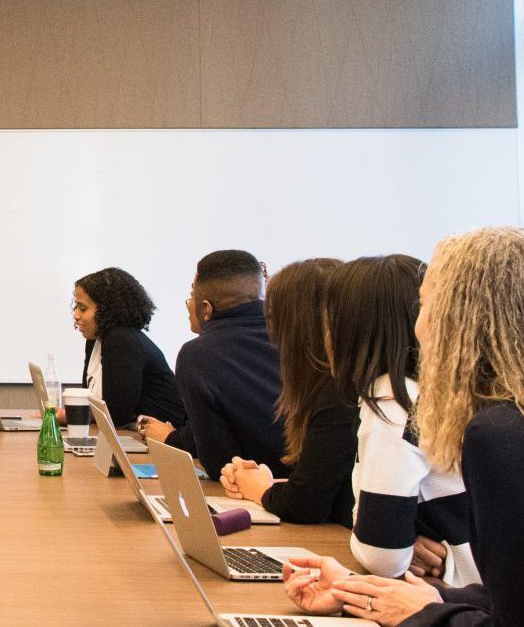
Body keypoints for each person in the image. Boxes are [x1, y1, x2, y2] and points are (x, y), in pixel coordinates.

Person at [281, 229, 524, 627]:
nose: (417, 327)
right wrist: (392, 594)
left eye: (425, 308)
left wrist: (427, 615)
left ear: (463, 321)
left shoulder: (499, 433)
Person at [317, 254, 469, 583]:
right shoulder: (443, 390)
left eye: (330, 322)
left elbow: (381, 557)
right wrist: (402, 539)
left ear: (354, 329)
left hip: (451, 594)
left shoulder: (392, 402)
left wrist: (389, 540)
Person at [219, 258, 350, 525]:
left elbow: (306, 505)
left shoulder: (336, 398)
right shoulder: (332, 388)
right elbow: (323, 486)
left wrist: (260, 489)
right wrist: (266, 481)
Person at [160, 249, 287, 476]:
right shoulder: (291, 337)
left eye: (192, 294)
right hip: (311, 492)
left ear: (206, 308)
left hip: (253, 493)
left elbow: (217, 461)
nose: (189, 303)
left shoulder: (196, 355)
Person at [72, 267, 184, 432]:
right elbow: (89, 401)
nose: (75, 315)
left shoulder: (121, 340)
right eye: (76, 307)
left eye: (83, 308)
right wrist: (76, 412)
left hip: (163, 442)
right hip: (134, 436)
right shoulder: (95, 339)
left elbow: (115, 416)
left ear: (107, 309)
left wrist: (78, 413)